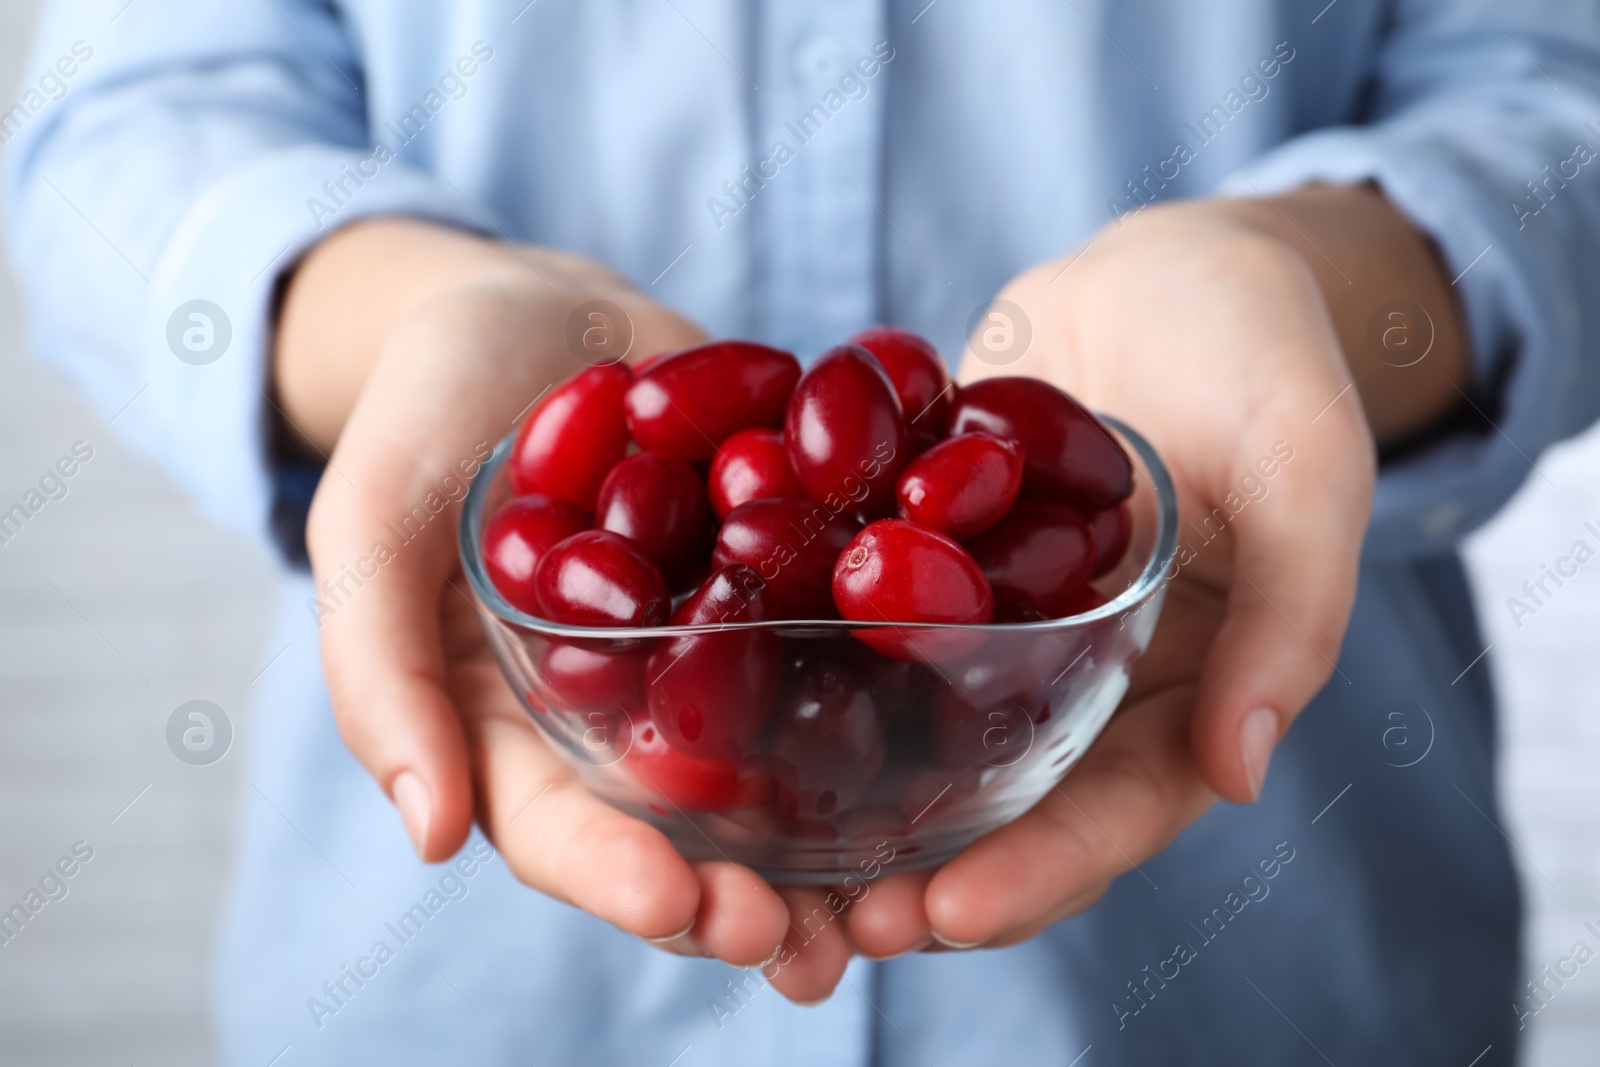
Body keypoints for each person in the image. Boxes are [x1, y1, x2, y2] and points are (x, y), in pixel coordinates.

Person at [7, 1, 1599, 1062]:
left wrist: (1308, 274)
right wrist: (406, 312)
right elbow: (120, 129)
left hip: (1261, 972)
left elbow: (1555, 88)